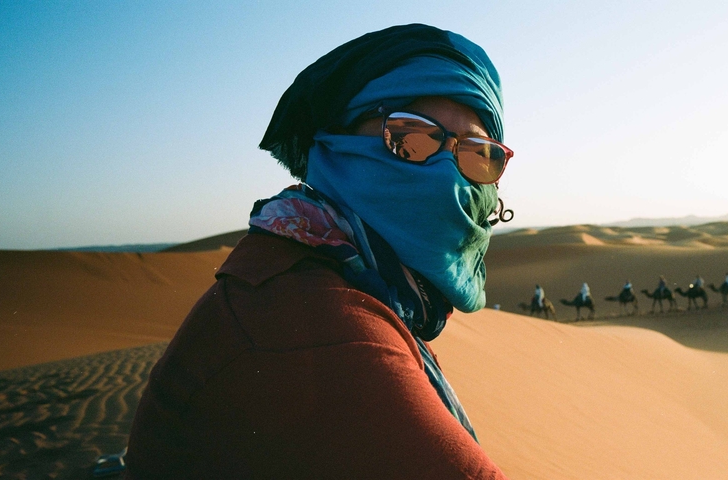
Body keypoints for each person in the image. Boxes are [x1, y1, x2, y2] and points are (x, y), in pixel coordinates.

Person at [124, 24, 510, 478]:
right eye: (410, 136)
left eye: (479, 154)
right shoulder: (315, 322)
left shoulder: (351, 281)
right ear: (336, 143)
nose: (448, 174)